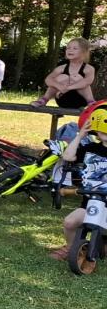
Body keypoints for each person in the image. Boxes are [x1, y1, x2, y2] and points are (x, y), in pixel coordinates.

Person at [48, 105, 107, 262]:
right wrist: (80, 135)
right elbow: (68, 157)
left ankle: (101, 245)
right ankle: (72, 248)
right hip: (91, 204)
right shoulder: (90, 149)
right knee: (69, 222)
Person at [33, 37, 97, 110]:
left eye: (75, 48)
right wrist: (59, 86)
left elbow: (87, 82)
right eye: (68, 48)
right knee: (62, 77)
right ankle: (44, 99)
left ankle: (91, 102)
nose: (70, 50)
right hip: (62, 98)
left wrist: (68, 88)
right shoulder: (61, 68)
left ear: (84, 52)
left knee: (77, 77)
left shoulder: (89, 68)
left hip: (80, 100)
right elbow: (48, 80)